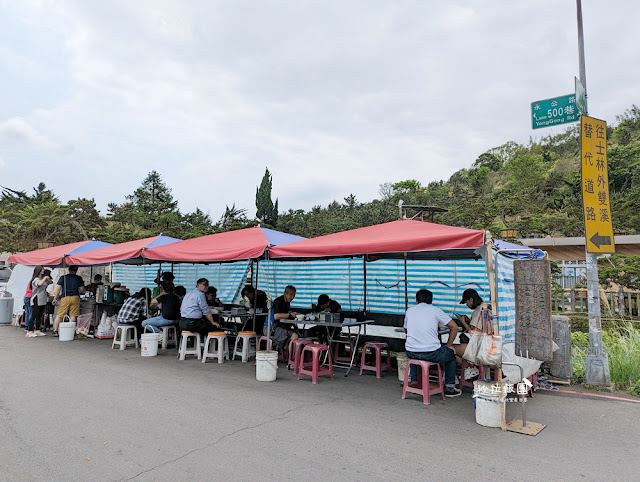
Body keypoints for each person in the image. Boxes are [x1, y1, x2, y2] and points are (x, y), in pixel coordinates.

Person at [403, 289, 461, 397]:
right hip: (432, 353)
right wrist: (448, 345)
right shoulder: (435, 310)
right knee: (451, 355)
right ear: (431, 301)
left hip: (411, 352)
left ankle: (415, 381)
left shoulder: (409, 311)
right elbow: (454, 327)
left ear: (416, 300)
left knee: (417, 352)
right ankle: (450, 387)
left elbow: (406, 330)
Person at [452, 289, 488, 374]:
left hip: (478, 347)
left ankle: (470, 367)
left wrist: (463, 322)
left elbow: (475, 334)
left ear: (471, 299)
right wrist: (468, 321)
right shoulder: (484, 308)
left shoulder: (478, 310)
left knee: (449, 349)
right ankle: (470, 367)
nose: (467, 305)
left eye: (467, 302)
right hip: (485, 345)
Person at [52, 266, 85, 337]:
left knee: (60, 315)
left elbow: (58, 288)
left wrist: (55, 298)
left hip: (65, 297)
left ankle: (55, 330)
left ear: (69, 269)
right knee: (73, 315)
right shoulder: (78, 278)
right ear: (76, 270)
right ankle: (70, 331)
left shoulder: (63, 277)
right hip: (75, 297)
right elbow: (82, 289)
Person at [267, 285, 299, 356]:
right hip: (271, 328)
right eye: (290, 295)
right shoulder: (278, 301)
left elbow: (288, 312)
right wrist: (290, 314)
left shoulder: (287, 302)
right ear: (285, 293)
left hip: (280, 326)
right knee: (294, 336)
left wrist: (292, 313)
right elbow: (276, 316)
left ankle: (291, 357)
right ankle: (292, 361)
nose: (292, 297)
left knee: (298, 333)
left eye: (293, 295)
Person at [26, 266, 52, 337]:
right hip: (36, 299)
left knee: (40, 315)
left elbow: (50, 282)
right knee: (34, 315)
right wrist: (45, 278)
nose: (43, 270)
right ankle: (30, 331)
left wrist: (47, 277)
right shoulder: (36, 279)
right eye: (42, 269)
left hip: (43, 299)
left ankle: (37, 329)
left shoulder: (42, 279)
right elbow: (39, 284)